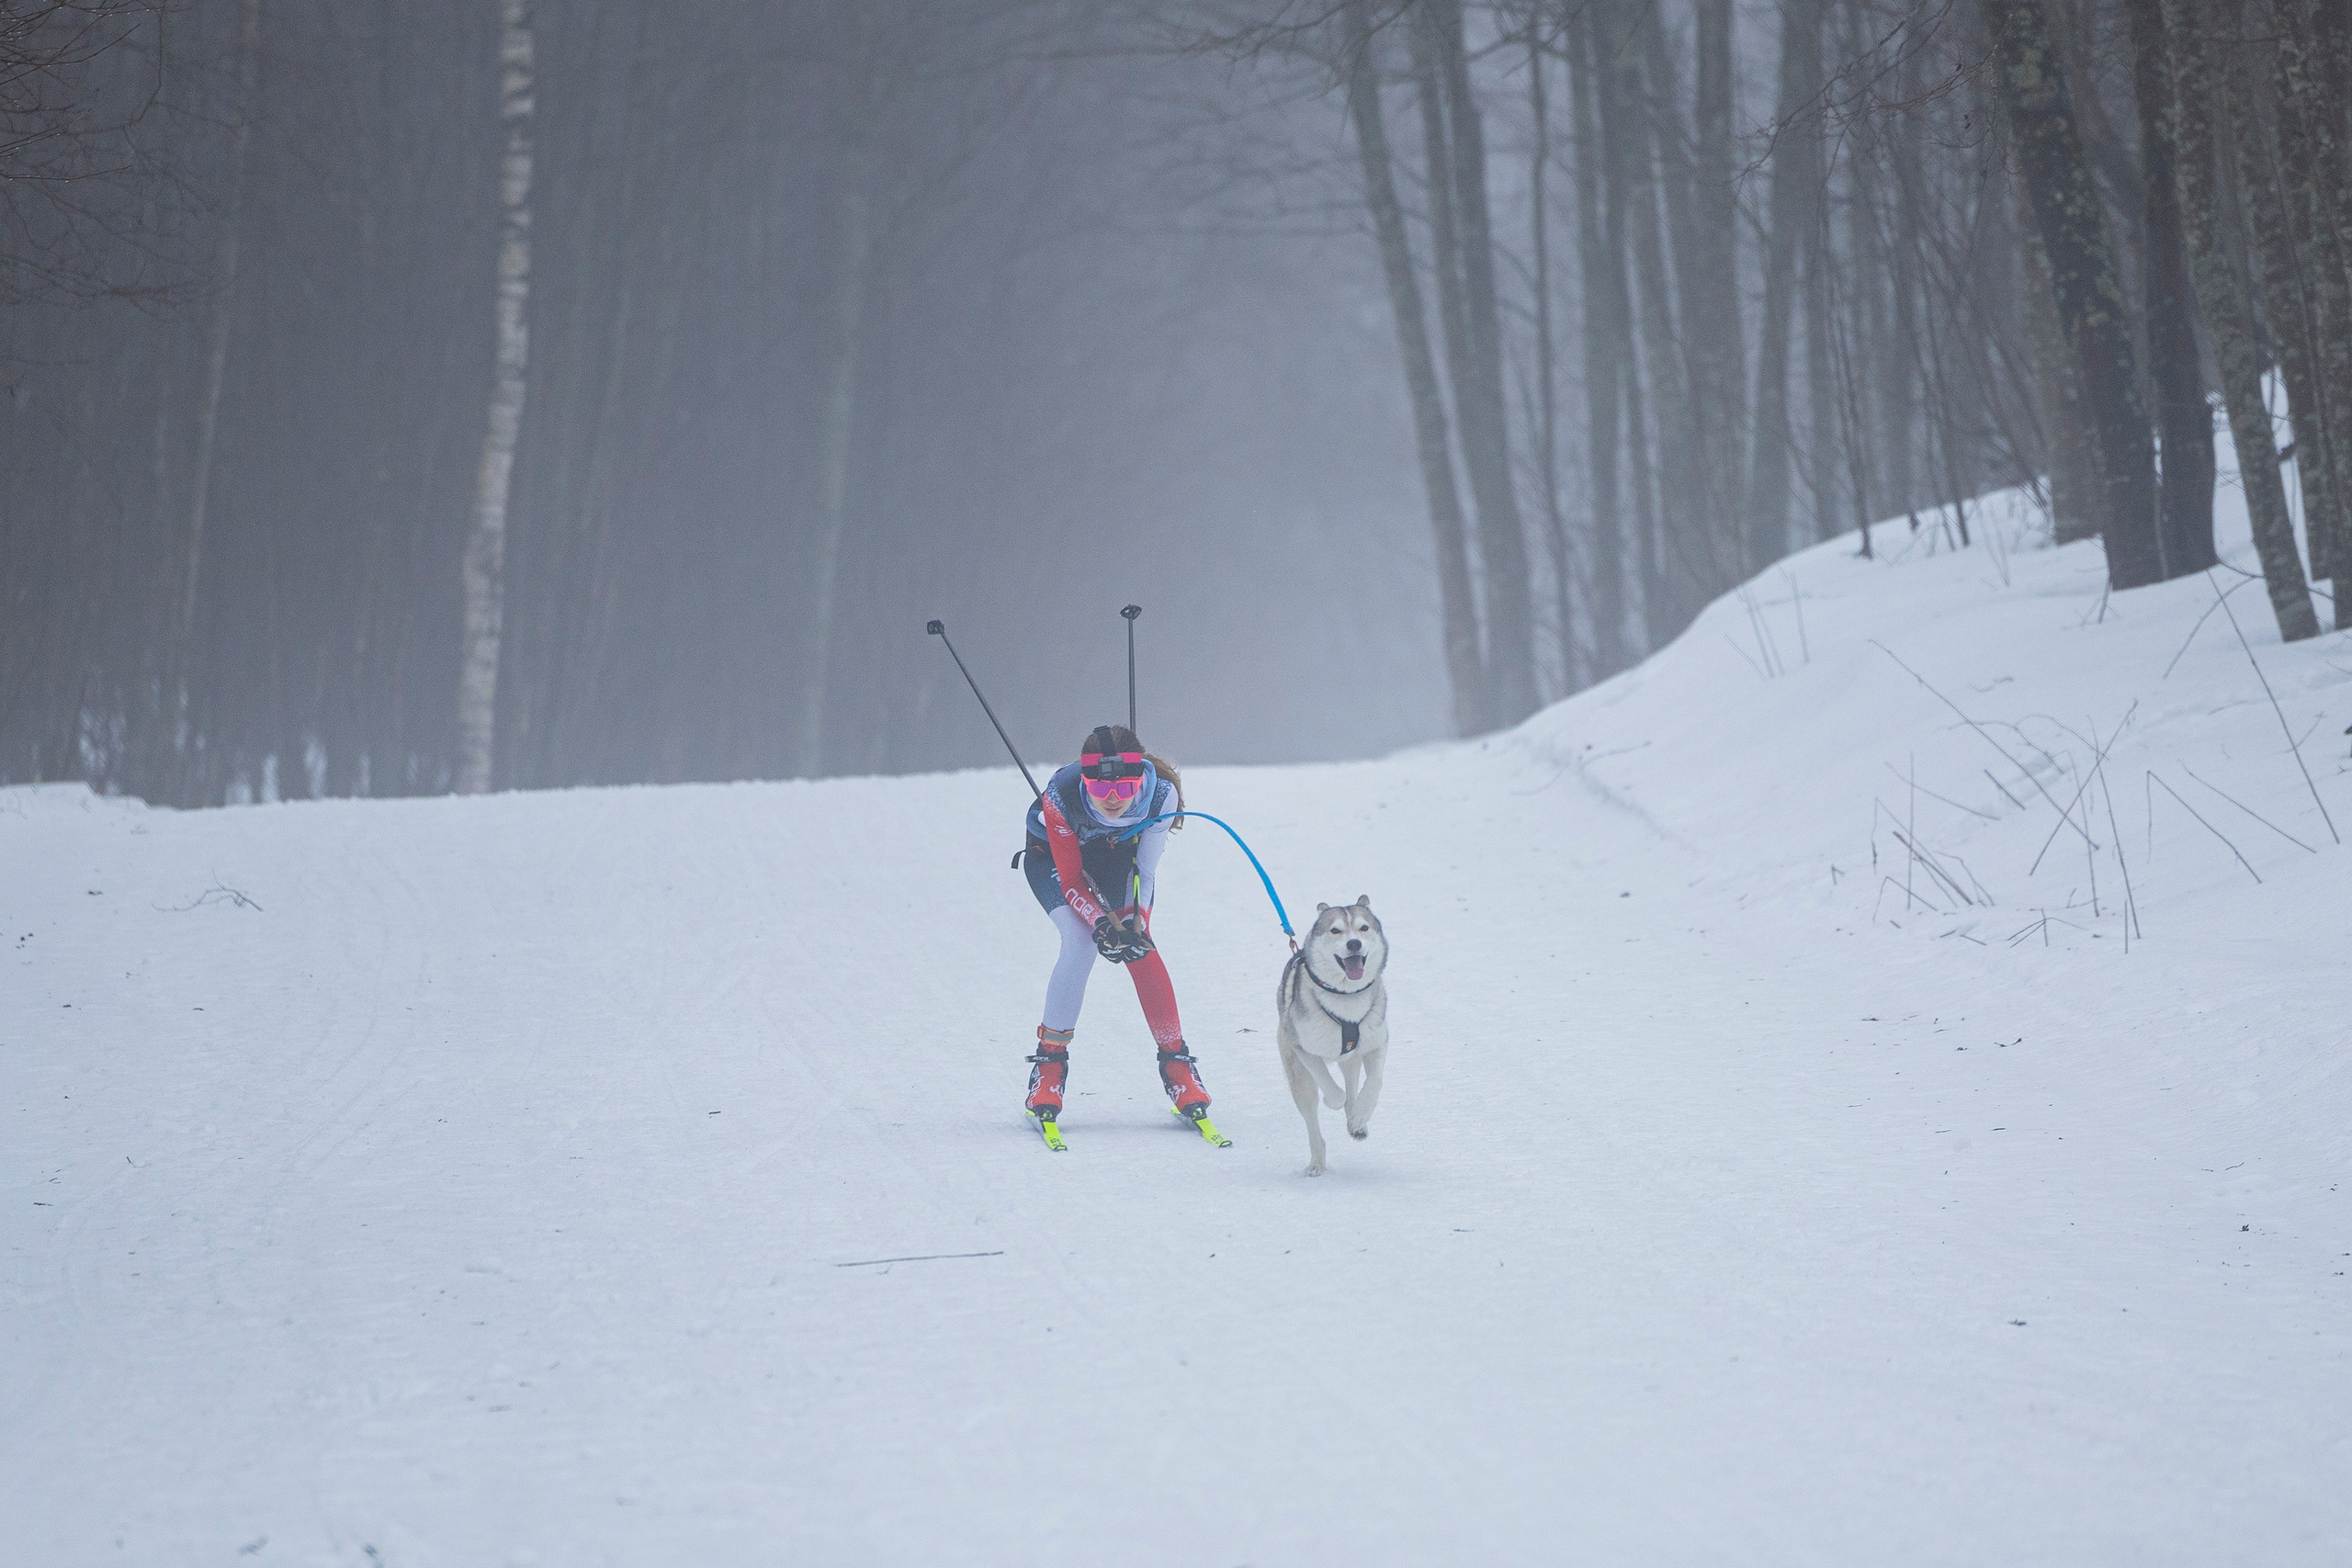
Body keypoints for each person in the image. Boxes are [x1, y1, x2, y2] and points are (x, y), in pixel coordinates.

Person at [1018, 723, 1210, 1126]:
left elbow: (1145, 868)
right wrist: (1099, 924)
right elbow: (1071, 881)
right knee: (1081, 941)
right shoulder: (1061, 796)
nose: (1110, 800)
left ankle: (1177, 1064)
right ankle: (1049, 1066)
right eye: (1098, 789)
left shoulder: (1161, 796)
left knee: (1140, 944)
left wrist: (1135, 923)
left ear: (1140, 777)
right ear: (1083, 779)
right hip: (1054, 861)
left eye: (1124, 790)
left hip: (1117, 860)